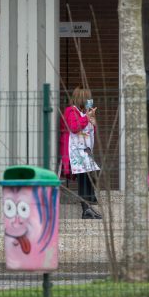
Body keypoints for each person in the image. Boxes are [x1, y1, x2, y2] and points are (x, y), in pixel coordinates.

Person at [59, 87, 102, 220]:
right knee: (85, 176)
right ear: (83, 99)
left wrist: (93, 122)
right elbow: (73, 127)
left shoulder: (83, 113)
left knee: (92, 173)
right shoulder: (71, 111)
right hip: (73, 151)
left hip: (84, 151)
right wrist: (87, 118)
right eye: (88, 98)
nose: (90, 100)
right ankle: (86, 208)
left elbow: (89, 131)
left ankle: (89, 203)